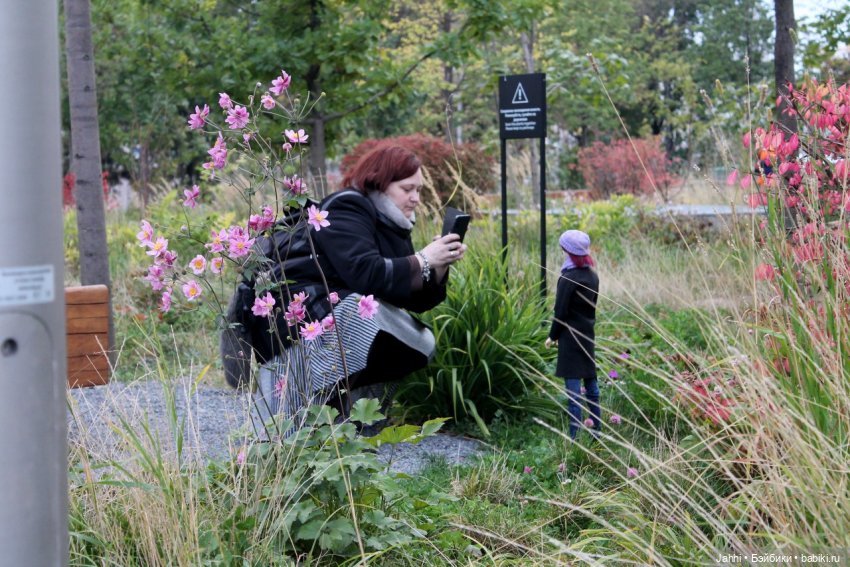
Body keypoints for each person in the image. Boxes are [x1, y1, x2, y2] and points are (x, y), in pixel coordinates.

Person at [251, 145, 466, 431]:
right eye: (407, 189)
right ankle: (323, 423)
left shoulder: (392, 224)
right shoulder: (347, 206)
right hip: (296, 314)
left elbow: (410, 297)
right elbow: (365, 273)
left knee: (414, 338)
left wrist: (438, 267)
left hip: (333, 315)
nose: (415, 198)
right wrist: (423, 259)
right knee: (368, 316)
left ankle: (349, 425)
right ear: (380, 182)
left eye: (419, 190)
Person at [544, 229, 600, 440]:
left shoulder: (568, 278)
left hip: (570, 340)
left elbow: (561, 312)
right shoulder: (592, 276)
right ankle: (597, 434)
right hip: (587, 336)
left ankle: (574, 438)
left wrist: (553, 335)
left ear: (567, 250)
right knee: (592, 386)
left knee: (574, 393)